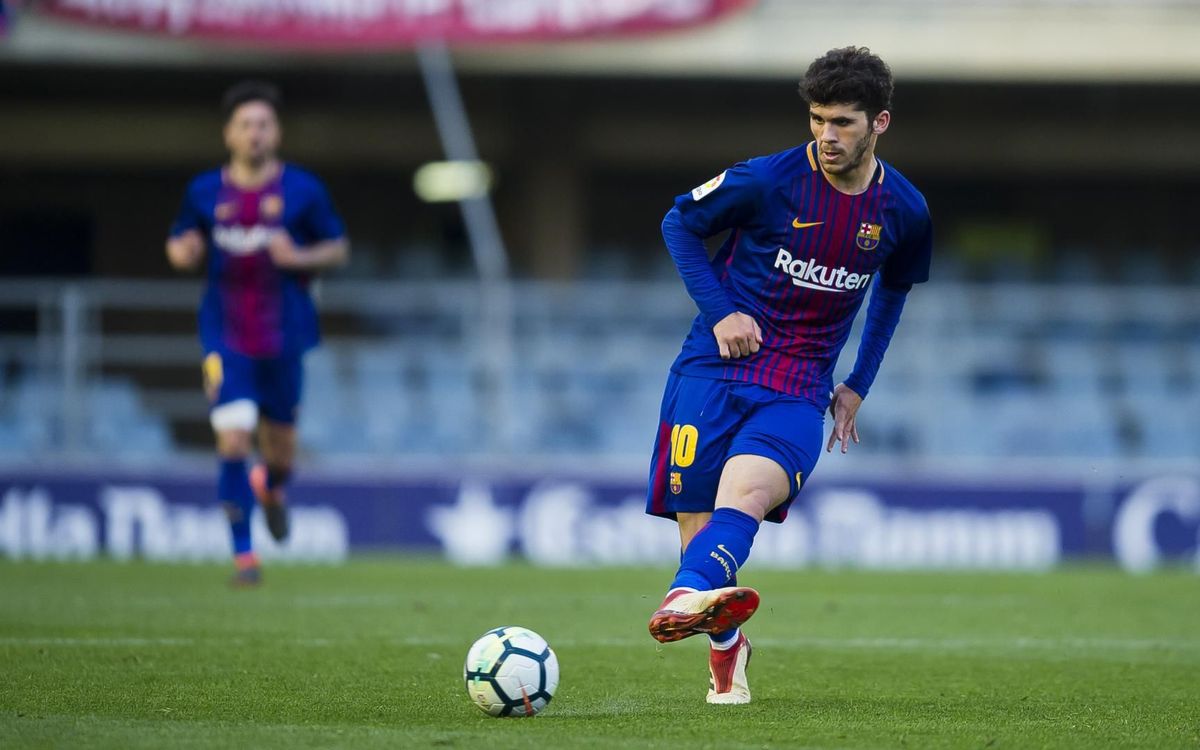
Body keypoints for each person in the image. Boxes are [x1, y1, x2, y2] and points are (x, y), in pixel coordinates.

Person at [644, 47, 932, 704]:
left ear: (879, 123)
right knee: (699, 530)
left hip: (800, 388)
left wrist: (858, 382)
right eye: (817, 119)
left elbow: (893, 291)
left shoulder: (905, 211)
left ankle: (681, 599)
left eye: (843, 123)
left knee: (741, 499)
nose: (827, 136)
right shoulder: (766, 180)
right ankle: (724, 645)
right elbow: (678, 223)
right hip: (711, 372)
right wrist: (721, 313)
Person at [166, 81, 349, 586]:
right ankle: (245, 557)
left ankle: (269, 484)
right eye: (245, 124)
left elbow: (337, 247)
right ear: (229, 133)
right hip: (225, 337)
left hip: (285, 337)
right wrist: (182, 252)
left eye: (263, 124)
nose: (254, 133)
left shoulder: (303, 191)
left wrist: (300, 256)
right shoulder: (204, 191)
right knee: (233, 437)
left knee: (281, 451)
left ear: (277, 132)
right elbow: (180, 240)